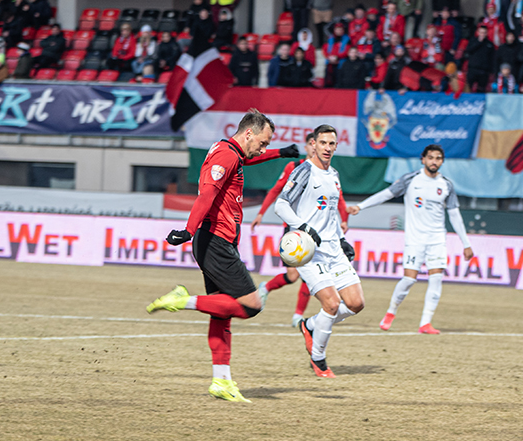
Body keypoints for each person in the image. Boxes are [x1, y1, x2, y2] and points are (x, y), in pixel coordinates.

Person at [145, 111, 300, 402]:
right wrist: (188, 230)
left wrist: (280, 153)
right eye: (263, 143)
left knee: (221, 314)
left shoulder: (230, 151)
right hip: (216, 241)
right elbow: (207, 194)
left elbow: (248, 160)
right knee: (252, 304)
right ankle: (182, 300)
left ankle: (221, 381)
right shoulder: (226, 156)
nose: (263, 149)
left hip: (217, 241)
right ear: (249, 133)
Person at [349, 144, 473, 334]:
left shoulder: (446, 185)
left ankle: (425, 323)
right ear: (423, 159)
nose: (434, 161)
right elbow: (386, 194)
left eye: (438, 158)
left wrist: (466, 243)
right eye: (430, 157)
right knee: (408, 279)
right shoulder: (411, 180)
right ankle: (391, 312)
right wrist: (361, 206)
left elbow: (455, 215)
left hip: (437, 238)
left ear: (442, 161)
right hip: (415, 239)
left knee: (436, 278)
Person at [274, 125, 365, 378]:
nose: (327, 148)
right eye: (322, 142)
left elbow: (331, 214)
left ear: (335, 146)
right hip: (309, 250)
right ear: (313, 144)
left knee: (356, 304)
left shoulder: (334, 174)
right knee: (332, 303)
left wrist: (342, 239)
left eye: (331, 143)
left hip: (334, 249)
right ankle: (319, 359)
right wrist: (302, 227)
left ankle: (311, 325)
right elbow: (280, 205)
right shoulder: (304, 171)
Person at [252, 132, 348, 326]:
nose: (320, 148)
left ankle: (298, 315)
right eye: (317, 144)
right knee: (292, 275)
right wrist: (261, 213)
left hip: (318, 231)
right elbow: (277, 190)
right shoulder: (295, 168)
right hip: (295, 230)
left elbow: (338, 198)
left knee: (309, 273)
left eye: (328, 144)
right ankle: (266, 287)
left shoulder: (330, 173)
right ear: (308, 146)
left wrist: (344, 219)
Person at [463, 24, 495, 93]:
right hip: (473, 69)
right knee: (468, 88)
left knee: (481, 89)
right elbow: (469, 50)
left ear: (487, 33)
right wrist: (479, 42)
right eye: (481, 32)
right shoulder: (473, 41)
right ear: (478, 32)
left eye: (484, 33)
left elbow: (492, 58)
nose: (482, 34)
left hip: (484, 71)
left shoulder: (489, 44)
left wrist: (491, 71)